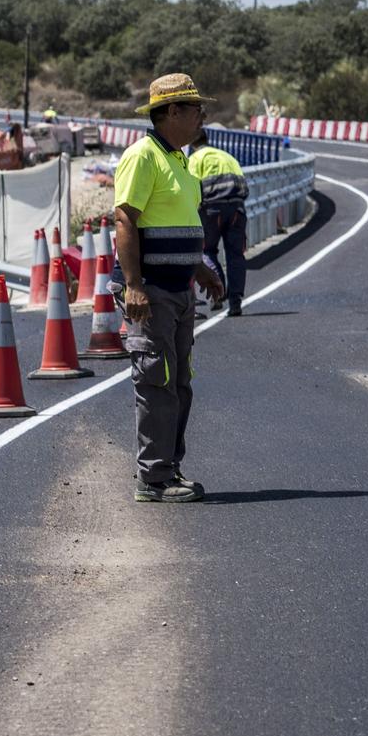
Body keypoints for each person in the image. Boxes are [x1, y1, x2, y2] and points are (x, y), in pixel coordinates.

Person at [113, 73, 226, 503]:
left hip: (179, 291)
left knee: (179, 383)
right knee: (156, 382)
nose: (202, 117)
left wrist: (200, 269)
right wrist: (134, 285)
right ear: (172, 111)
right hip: (153, 292)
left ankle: (168, 468)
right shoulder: (143, 157)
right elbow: (126, 218)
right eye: (196, 109)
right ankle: (154, 478)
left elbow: (177, 224)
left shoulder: (179, 160)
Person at [188, 137, 249, 316]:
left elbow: (192, 188)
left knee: (207, 250)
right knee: (236, 255)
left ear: (193, 145)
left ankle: (219, 291)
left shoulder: (196, 159)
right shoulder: (227, 157)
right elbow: (244, 184)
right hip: (237, 208)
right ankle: (235, 301)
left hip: (211, 211)